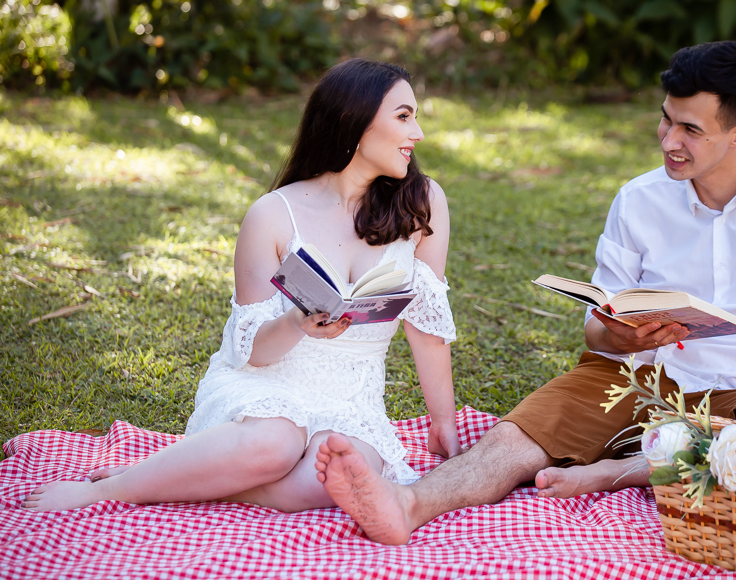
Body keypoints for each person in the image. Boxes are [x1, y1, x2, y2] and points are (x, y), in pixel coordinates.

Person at [311, 41, 736, 545]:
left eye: (690, 130)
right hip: (626, 379)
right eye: (666, 121)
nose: (668, 141)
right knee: (511, 440)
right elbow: (596, 328)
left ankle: (616, 473)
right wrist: (622, 333)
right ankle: (408, 504)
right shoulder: (639, 200)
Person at [23, 59, 460, 512]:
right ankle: (108, 490)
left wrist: (442, 422)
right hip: (266, 387)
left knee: (334, 478)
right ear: (354, 119)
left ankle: (182, 477)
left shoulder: (422, 204)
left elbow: (426, 325)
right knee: (274, 444)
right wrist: (297, 321)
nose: (419, 133)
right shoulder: (272, 214)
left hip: (353, 400)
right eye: (404, 116)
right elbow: (251, 350)